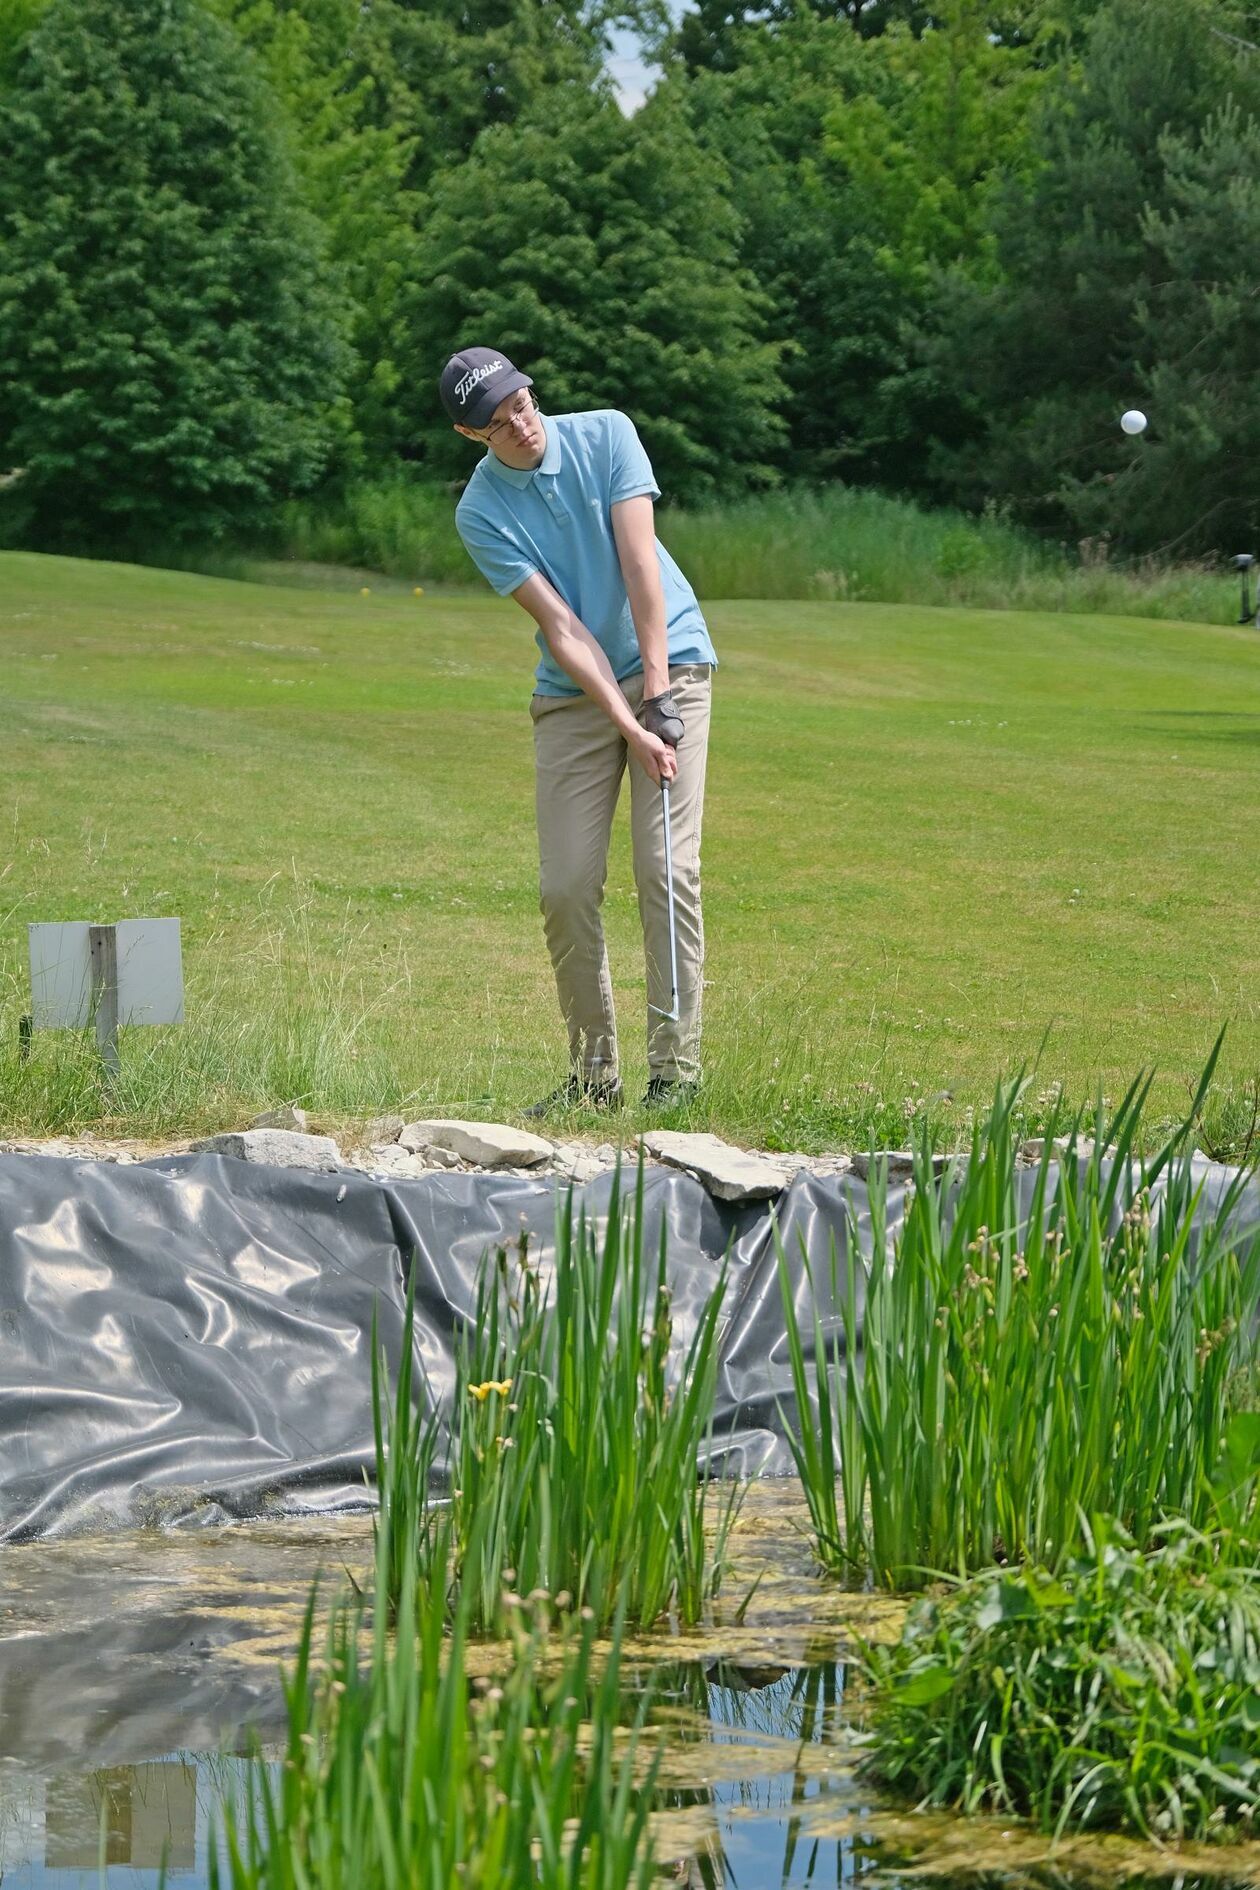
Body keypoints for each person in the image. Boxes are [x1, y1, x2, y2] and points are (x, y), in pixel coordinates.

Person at [440, 346, 716, 1115]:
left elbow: (640, 568)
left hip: (671, 665)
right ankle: (594, 1078)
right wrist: (626, 725)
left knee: (665, 868)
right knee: (565, 886)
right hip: (574, 693)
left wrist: (655, 699)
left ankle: (676, 1074)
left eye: (521, 405)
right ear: (473, 437)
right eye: (497, 425)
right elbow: (561, 626)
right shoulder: (480, 512)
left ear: (531, 391)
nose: (520, 426)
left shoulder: (607, 435)